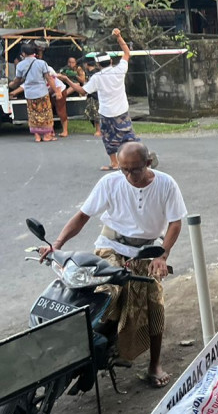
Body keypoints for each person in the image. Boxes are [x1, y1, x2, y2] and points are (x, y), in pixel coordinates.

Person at [40, 142, 187, 388]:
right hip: (110, 245)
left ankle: (154, 364)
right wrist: (56, 245)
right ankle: (89, 352)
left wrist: (163, 256)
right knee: (103, 291)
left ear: (148, 163)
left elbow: (175, 223)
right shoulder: (109, 183)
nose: (129, 175)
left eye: (135, 169)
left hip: (148, 251)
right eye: (123, 169)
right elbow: (83, 216)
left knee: (154, 304)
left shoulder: (166, 184)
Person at [78, 29, 140, 170]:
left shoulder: (96, 77)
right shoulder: (120, 69)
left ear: (98, 65)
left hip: (106, 113)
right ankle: (139, 159)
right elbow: (126, 52)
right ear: (111, 61)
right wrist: (119, 37)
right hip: (122, 111)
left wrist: (67, 81)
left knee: (108, 138)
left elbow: (82, 91)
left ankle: (114, 163)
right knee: (129, 136)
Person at [11, 41, 57, 142]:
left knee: (33, 114)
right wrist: (57, 91)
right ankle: (47, 135)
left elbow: (17, 80)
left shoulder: (20, 65)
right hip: (42, 92)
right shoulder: (41, 63)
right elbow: (49, 78)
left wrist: (10, 85)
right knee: (45, 114)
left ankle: (37, 136)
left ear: (23, 53)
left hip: (29, 94)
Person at [81, 55, 102, 137]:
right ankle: (99, 129)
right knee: (91, 113)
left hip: (96, 95)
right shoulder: (89, 73)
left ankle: (99, 130)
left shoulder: (95, 73)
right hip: (90, 95)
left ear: (86, 64)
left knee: (96, 114)